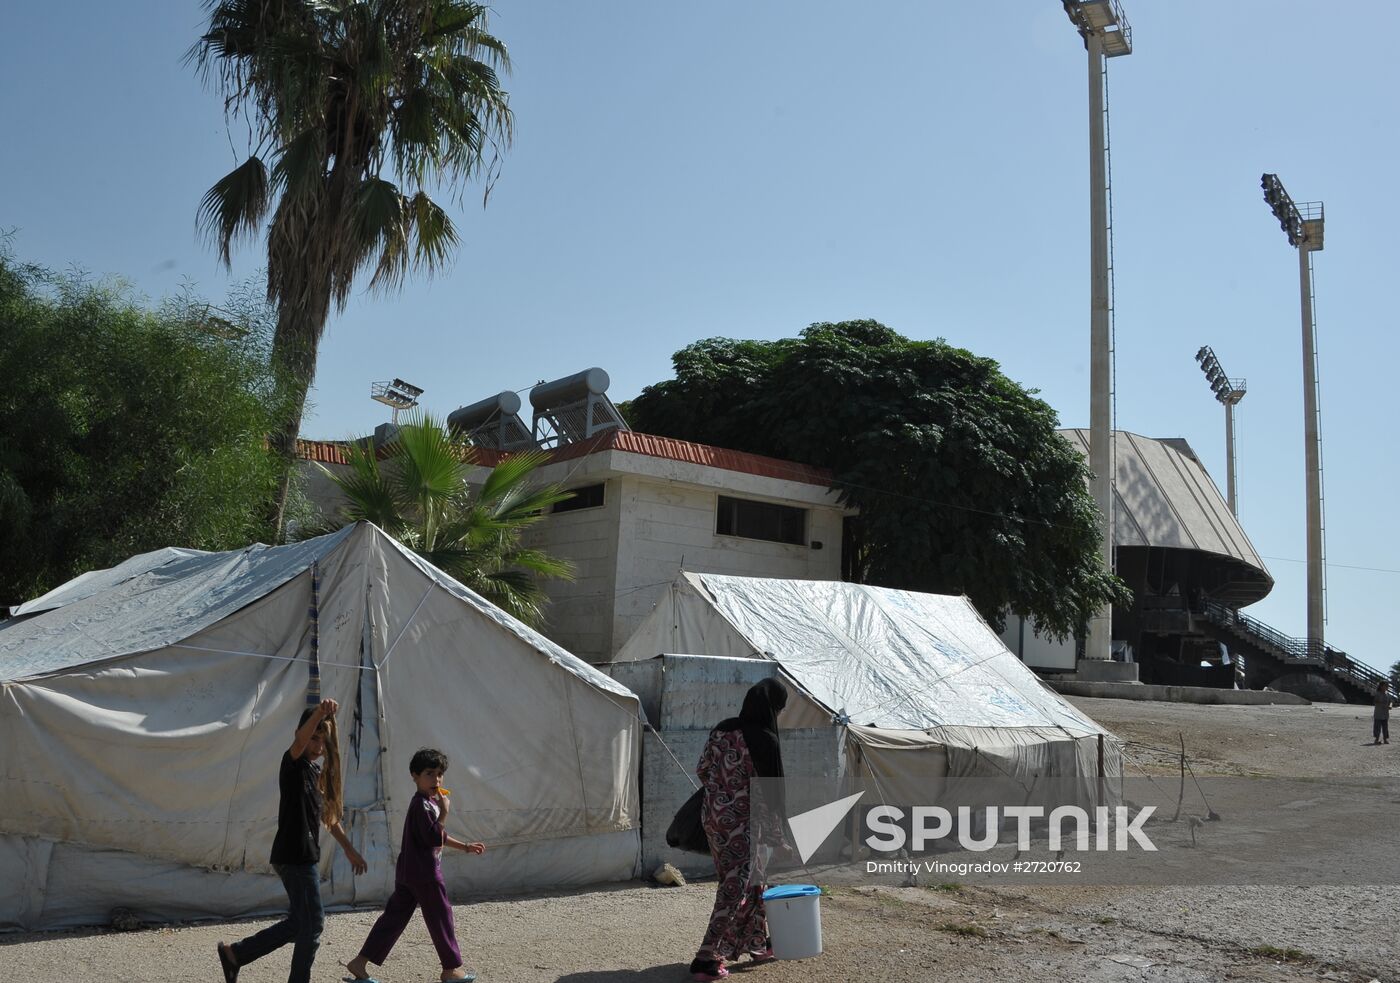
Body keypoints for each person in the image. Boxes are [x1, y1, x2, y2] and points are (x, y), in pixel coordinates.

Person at [217, 698, 367, 983]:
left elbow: (328, 817)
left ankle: (235, 954)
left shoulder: (313, 772)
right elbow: (298, 741)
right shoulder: (293, 763)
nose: (318, 746)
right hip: (295, 854)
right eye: (313, 739)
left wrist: (350, 850)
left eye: (322, 741)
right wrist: (321, 712)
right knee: (313, 925)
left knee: (301, 923)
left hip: (298, 854)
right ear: (303, 735)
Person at [343, 748, 485, 983]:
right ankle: (451, 969)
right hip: (425, 873)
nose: (436, 779)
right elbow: (433, 836)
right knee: (441, 916)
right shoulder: (422, 805)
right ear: (415, 776)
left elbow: (438, 835)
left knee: (394, 918)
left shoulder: (428, 804)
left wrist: (465, 846)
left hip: (409, 872)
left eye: (440, 774)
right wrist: (445, 813)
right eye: (429, 774)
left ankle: (360, 962)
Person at [689, 678, 793, 982]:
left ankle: (758, 945)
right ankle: (705, 959)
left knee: (755, 882)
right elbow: (773, 797)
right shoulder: (765, 740)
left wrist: (723, 794)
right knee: (734, 889)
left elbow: (702, 770)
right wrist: (780, 837)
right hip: (745, 826)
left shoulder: (722, 728)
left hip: (714, 819)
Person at [1373, 680, 1393, 745]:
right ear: (1381, 686)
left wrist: (1390, 706)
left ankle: (1385, 739)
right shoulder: (1377, 693)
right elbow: (1375, 701)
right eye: (1386, 685)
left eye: (1388, 685)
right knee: (1377, 727)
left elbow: (1391, 702)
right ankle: (1376, 739)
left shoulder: (1387, 694)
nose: (1387, 687)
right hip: (1378, 713)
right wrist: (1383, 704)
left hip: (1385, 714)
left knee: (1385, 727)